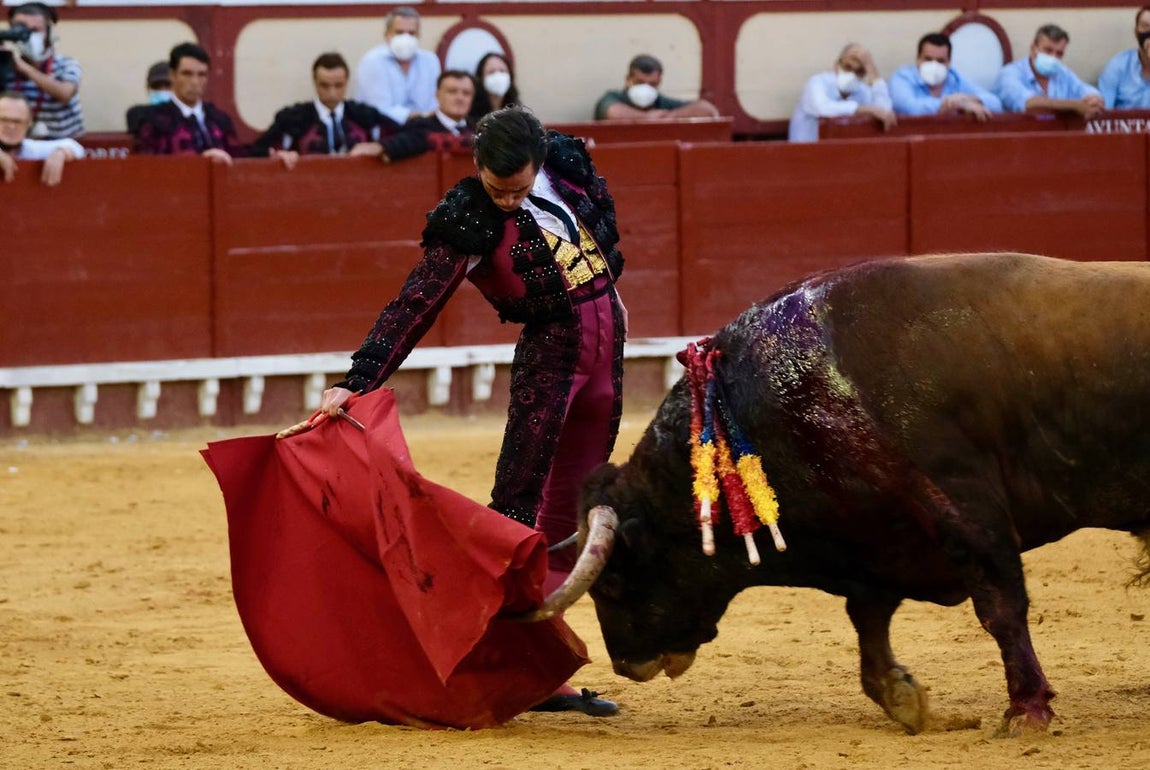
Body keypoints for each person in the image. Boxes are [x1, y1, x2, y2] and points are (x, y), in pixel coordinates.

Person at [319, 106, 627, 717]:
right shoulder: (470, 217)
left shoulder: (565, 166)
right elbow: (416, 304)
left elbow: (603, 248)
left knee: (572, 510)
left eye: (517, 189)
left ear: (536, 164)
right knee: (517, 507)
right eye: (495, 189)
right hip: (552, 361)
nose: (508, 202)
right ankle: (506, 662)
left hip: (607, 351)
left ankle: (542, 668)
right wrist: (358, 380)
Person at [250, 52, 426, 169]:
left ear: (347, 82)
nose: (332, 93)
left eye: (338, 85)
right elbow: (254, 151)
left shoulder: (365, 115)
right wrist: (275, 155)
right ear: (314, 82)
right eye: (325, 85)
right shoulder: (292, 118)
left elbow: (417, 135)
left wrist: (379, 146)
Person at [135, 42, 245, 162]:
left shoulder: (220, 119)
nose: (195, 82)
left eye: (201, 75)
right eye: (187, 74)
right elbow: (151, 167)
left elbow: (240, 162)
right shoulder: (154, 120)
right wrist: (201, 162)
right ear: (172, 75)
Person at [0, 2, 82, 139]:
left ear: (49, 33)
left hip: (63, 145)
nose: (29, 37)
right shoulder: (5, 66)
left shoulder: (66, 64)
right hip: (18, 144)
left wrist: (25, 68)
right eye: (22, 31)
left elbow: (64, 93)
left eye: (36, 31)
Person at [788, 43, 897, 142]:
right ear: (836, 65)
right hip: (803, 156)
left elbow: (884, 111)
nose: (852, 74)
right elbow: (823, 108)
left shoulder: (861, 91)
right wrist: (865, 109)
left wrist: (872, 71)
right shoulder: (817, 83)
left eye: (859, 71)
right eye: (848, 67)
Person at [353, 6, 441, 125]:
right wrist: (420, 116)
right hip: (384, 129)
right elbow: (379, 109)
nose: (406, 38)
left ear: (419, 35)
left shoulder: (430, 60)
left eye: (411, 33)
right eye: (399, 32)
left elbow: (435, 102)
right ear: (387, 35)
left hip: (424, 129)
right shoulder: (372, 61)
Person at [992, 24, 1104, 118]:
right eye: (1048, 50)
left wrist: (1095, 99)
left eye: (1059, 53)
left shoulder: (1062, 73)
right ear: (1033, 49)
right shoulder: (1010, 74)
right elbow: (1029, 104)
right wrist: (1075, 106)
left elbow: (1083, 89)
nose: (1053, 57)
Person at [890, 32, 1002, 120]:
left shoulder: (955, 78)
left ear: (949, 63)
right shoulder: (903, 78)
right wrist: (955, 104)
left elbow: (995, 103)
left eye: (940, 61)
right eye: (928, 59)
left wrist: (967, 99)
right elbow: (909, 108)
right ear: (918, 59)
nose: (934, 65)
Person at [594, 54, 719, 120]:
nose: (646, 88)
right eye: (640, 82)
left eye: (652, 84)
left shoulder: (660, 102)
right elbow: (613, 112)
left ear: (659, 82)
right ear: (628, 80)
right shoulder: (613, 97)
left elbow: (707, 109)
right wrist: (647, 118)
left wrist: (671, 116)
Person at [0, 90, 82, 185]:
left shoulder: (30, 149)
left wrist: (61, 153)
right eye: (4, 120)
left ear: (29, 123)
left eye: (17, 121)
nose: (11, 126)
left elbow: (76, 148)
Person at [400, 69, 476, 152]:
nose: (460, 98)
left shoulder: (481, 128)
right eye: (452, 91)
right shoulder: (418, 126)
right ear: (437, 95)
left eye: (466, 93)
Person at [1098, 6, 1150, 109]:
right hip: (1125, 125)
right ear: (1136, 33)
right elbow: (1103, 113)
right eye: (1145, 27)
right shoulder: (1118, 66)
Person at [469, 52, 520, 123]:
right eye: (491, 72)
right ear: (481, 78)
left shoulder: (518, 115)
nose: (498, 76)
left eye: (502, 71)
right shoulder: (470, 117)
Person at [125, 60, 172, 135]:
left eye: (168, 85)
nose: (162, 90)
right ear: (147, 88)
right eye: (156, 86)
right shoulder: (138, 114)